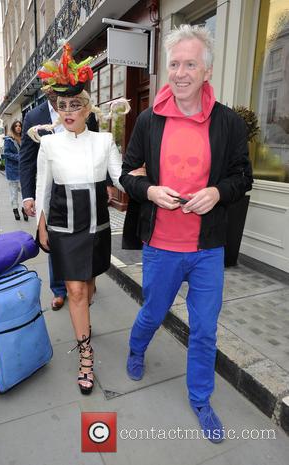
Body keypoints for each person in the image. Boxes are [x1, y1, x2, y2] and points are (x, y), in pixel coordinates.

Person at [120, 25, 253, 443]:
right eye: (174, 63)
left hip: (208, 247)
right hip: (161, 245)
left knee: (205, 328)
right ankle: (136, 348)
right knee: (153, 314)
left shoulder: (227, 121)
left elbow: (242, 177)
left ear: (206, 71)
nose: (180, 72)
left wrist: (216, 192)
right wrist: (150, 190)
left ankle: (200, 399)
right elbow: (128, 174)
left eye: (189, 64)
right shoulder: (149, 119)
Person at [32, 43, 128, 395]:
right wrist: (39, 224)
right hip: (62, 225)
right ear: (56, 110)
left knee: (86, 288)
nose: (68, 111)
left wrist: (141, 181)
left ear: (88, 108)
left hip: (97, 226)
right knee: (74, 289)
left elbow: (120, 177)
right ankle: (85, 353)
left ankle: (86, 299)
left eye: (76, 105)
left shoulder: (103, 141)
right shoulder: (48, 144)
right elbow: (43, 186)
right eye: (63, 106)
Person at [19, 71, 98, 311]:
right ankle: (59, 289)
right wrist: (29, 195)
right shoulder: (34, 116)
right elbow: (27, 158)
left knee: (86, 239)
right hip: (53, 192)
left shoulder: (86, 109)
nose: (53, 91)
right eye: (49, 87)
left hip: (84, 189)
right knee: (55, 240)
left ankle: (84, 279)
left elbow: (93, 145)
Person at [3, 120, 28, 221]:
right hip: (12, 170)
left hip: (23, 169)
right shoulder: (8, 140)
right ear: (13, 127)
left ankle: (24, 210)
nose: (18, 127)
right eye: (16, 126)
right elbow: (6, 154)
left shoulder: (24, 138)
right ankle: (15, 210)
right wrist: (19, 157)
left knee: (24, 191)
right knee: (13, 192)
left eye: (20, 126)